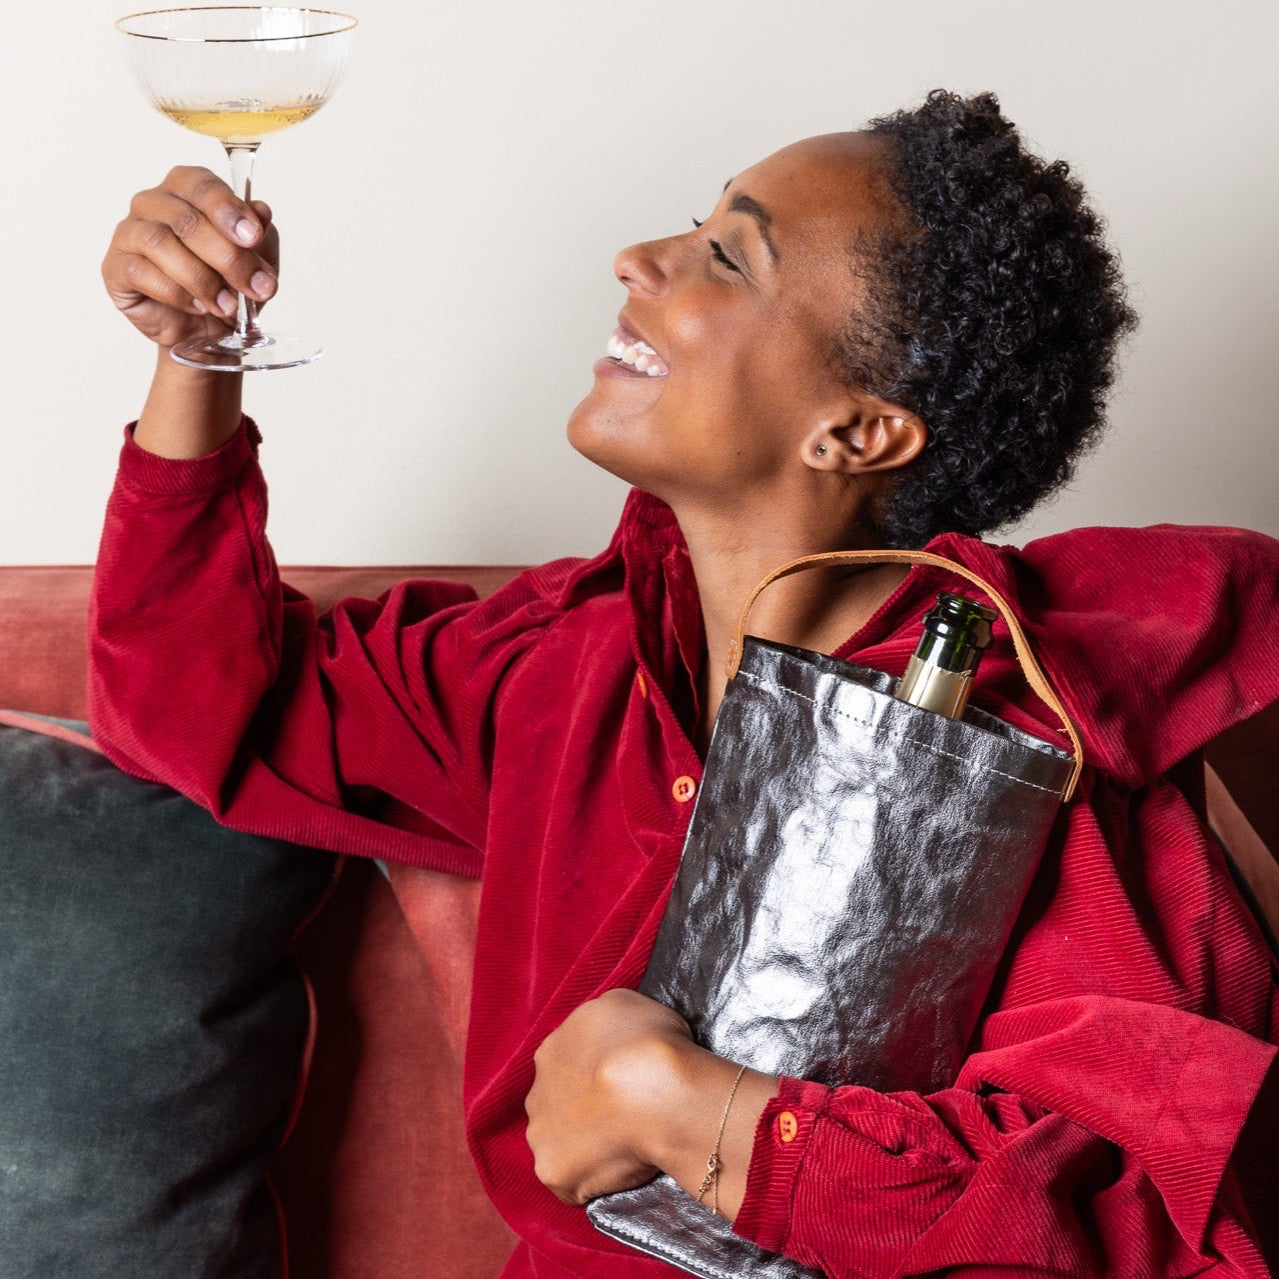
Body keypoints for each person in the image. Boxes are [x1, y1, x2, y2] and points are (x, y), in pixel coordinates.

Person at [92, 90, 1278, 1276]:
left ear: (857, 434)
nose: (637, 259)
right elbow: (205, 704)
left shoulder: (1016, 742)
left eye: (725, 255)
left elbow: (1115, 1208)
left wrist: (692, 1111)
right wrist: (195, 353)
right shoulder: (567, 663)